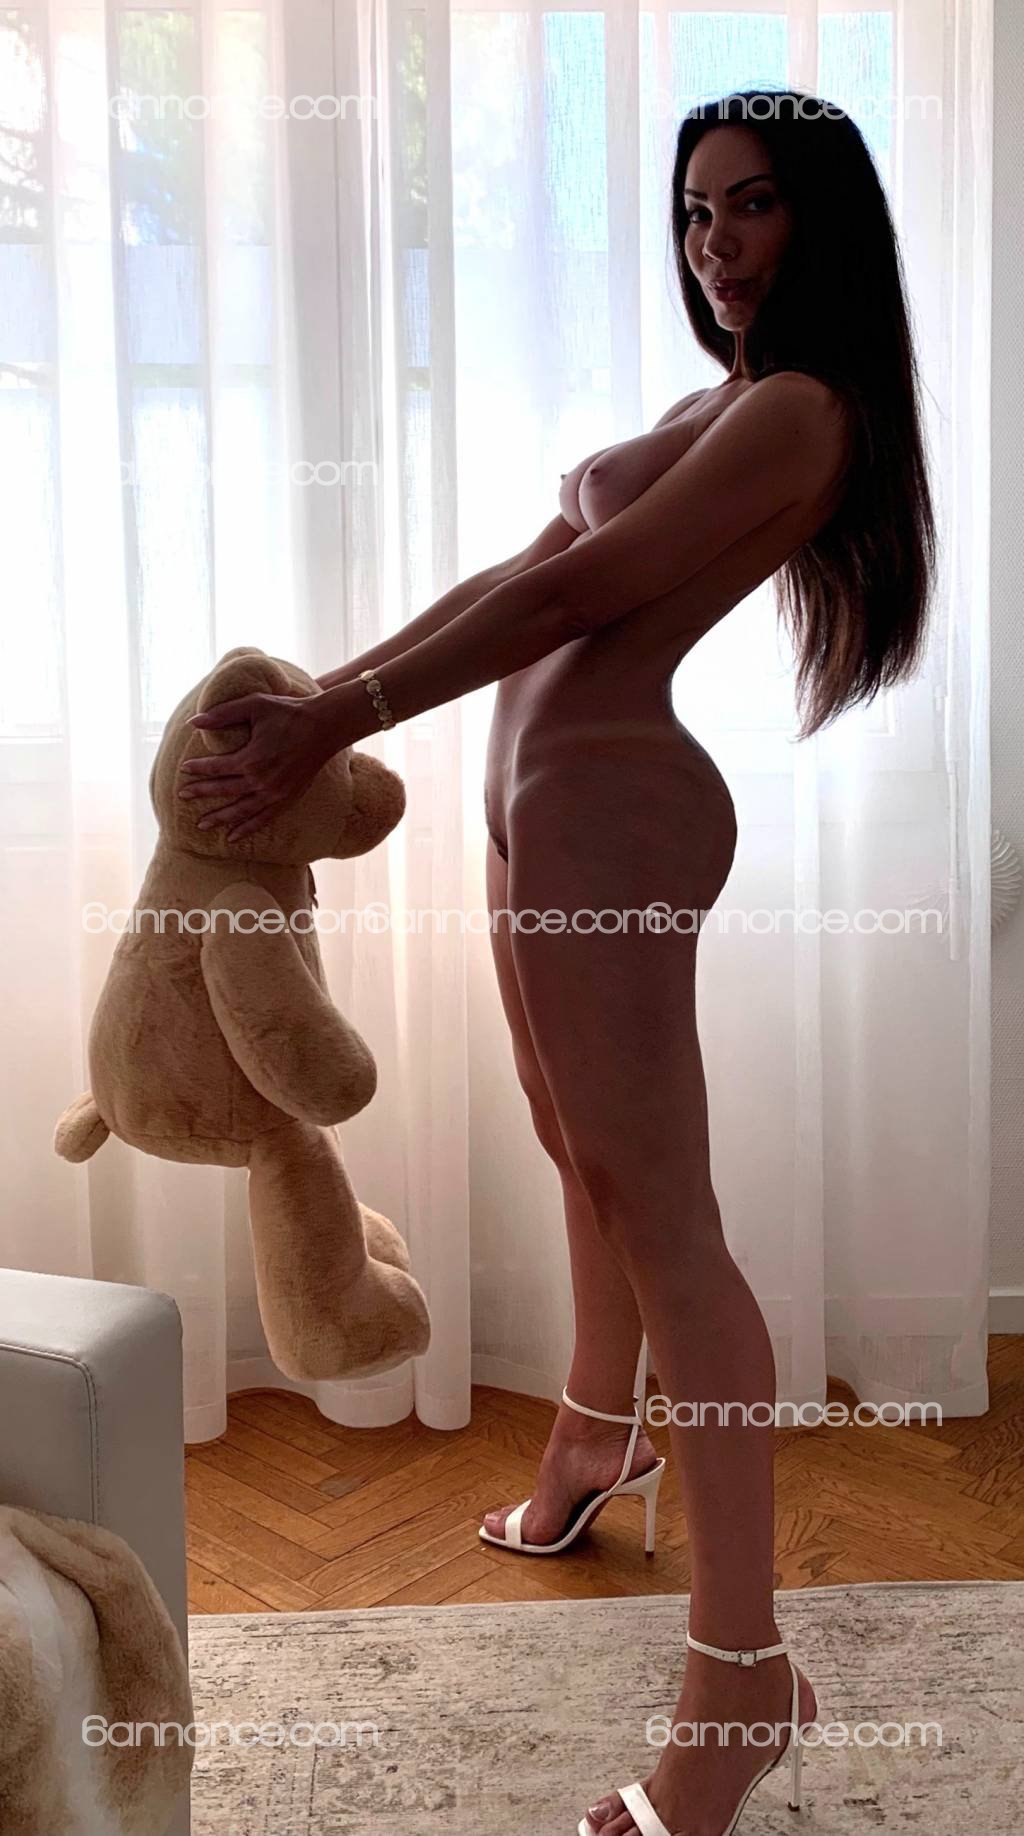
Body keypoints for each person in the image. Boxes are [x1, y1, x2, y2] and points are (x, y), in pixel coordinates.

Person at [179, 88, 936, 1836]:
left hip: (611, 805)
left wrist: (342, 720)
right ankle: (599, 1438)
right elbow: (511, 576)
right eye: (694, 214)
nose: (717, 244)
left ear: (822, 220)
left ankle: (740, 1681)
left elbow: (575, 603)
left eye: (753, 206)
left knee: (669, 1218)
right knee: (580, 1154)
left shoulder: (805, 410)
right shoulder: (715, 402)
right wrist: (321, 696)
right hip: (544, 803)